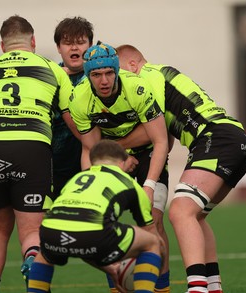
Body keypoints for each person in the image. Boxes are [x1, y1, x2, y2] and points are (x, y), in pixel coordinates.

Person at [116, 44, 246, 293]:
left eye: (120, 72)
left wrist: (111, 147)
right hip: (236, 140)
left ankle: (196, 288)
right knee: (197, 216)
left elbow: (151, 130)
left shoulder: (149, 77)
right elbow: (164, 140)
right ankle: (212, 287)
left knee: (180, 211)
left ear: (134, 65)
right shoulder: (165, 78)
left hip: (215, 137)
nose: (120, 82)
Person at [0, 15, 74, 293]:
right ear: (33, 42)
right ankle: (33, 267)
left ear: (3, 46)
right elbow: (72, 118)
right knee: (31, 231)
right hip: (30, 144)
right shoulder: (50, 68)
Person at [69, 43, 171, 293]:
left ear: (116, 71)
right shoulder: (79, 99)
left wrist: (148, 185)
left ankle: (162, 289)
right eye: (95, 75)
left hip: (147, 153)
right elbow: (91, 150)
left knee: (154, 220)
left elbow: (160, 141)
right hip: (112, 158)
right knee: (102, 222)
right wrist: (92, 186)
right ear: (87, 75)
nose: (103, 80)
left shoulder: (137, 88)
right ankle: (117, 288)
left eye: (108, 73)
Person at [26, 139, 165, 293]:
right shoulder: (130, 184)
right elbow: (152, 234)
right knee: (152, 243)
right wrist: (157, 258)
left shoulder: (75, 180)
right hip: (94, 232)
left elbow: (79, 242)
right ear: (122, 162)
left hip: (49, 232)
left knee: (43, 256)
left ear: (93, 163)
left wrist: (109, 269)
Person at [51, 16, 94, 197]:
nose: (74, 47)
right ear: (59, 48)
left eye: (80, 42)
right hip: (55, 168)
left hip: (92, 163)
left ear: (90, 46)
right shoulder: (50, 78)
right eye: (68, 43)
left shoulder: (101, 77)